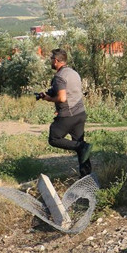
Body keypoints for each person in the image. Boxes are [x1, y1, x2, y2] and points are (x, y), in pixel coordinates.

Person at [37, 48, 93, 176]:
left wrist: (48, 98)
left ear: (56, 61)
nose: (50, 61)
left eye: (51, 59)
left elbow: (62, 98)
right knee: (79, 144)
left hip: (68, 115)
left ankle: (81, 147)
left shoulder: (59, 77)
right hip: (80, 113)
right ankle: (86, 175)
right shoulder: (73, 73)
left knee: (54, 138)